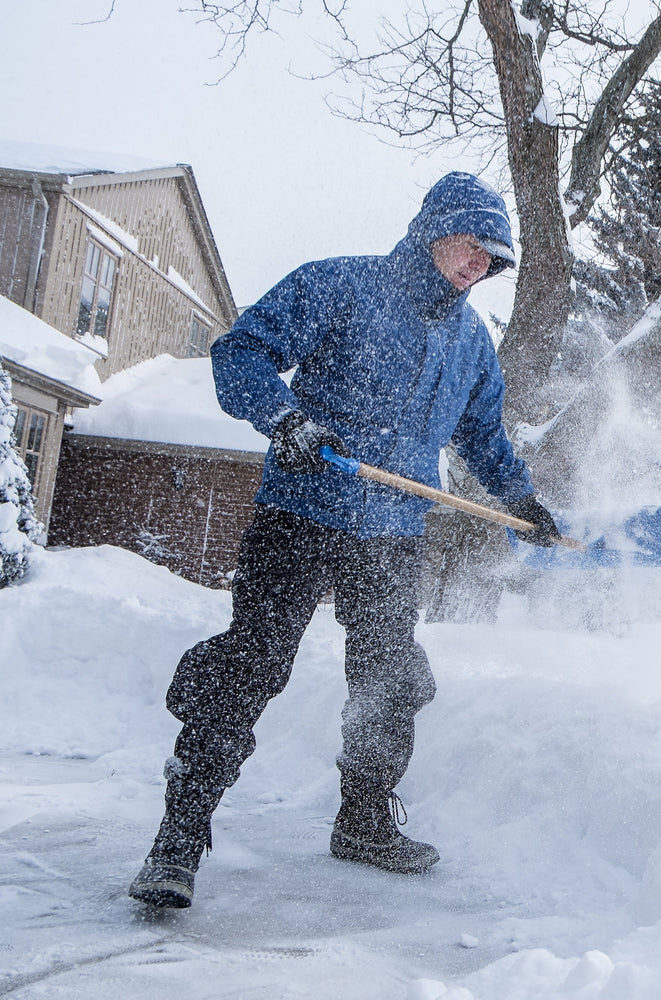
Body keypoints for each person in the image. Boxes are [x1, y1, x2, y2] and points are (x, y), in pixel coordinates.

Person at [129, 172, 559, 909]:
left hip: (393, 531)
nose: (479, 264)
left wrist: (520, 498)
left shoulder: (470, 342)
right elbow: (242, 352)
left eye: (493, 258)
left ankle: (364, 822)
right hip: (302, 509)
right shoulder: (340, 286)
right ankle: (179, 837)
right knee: (252, 662)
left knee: (389, 678)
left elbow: (483, 434)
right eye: (472, 246)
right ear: (434, 231)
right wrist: (286, 419)